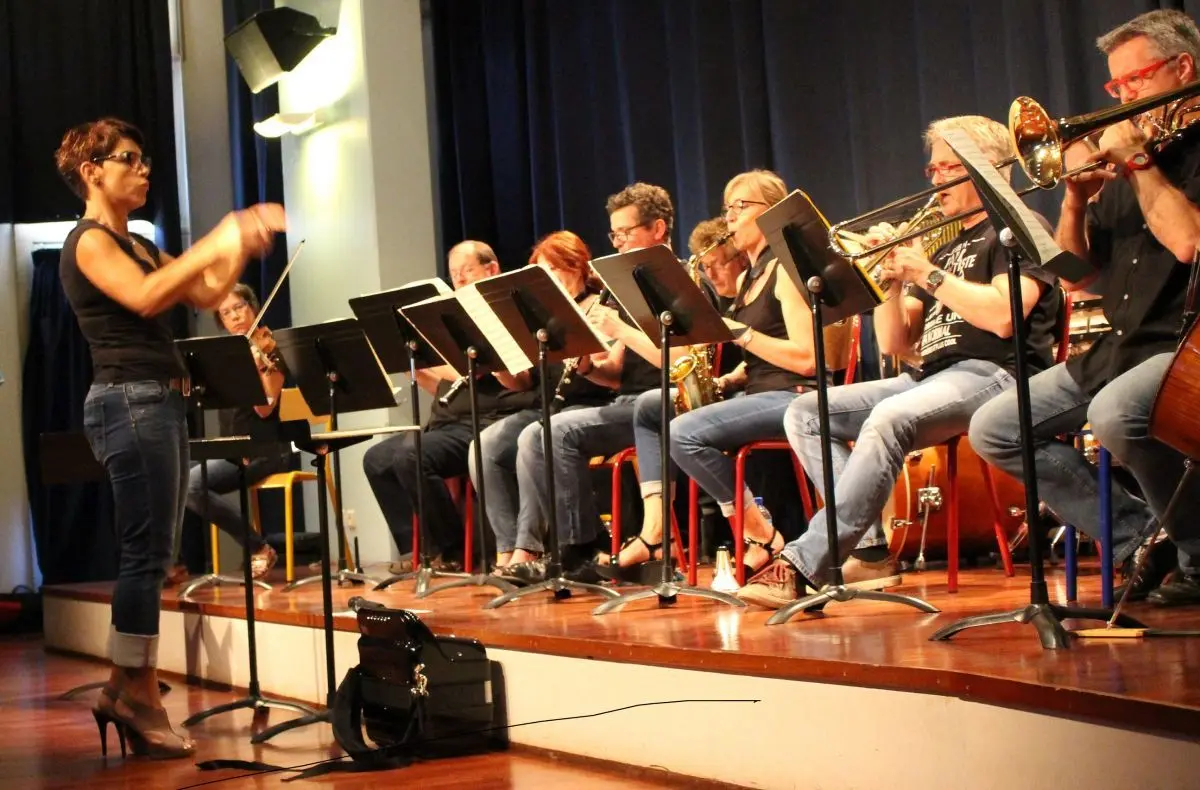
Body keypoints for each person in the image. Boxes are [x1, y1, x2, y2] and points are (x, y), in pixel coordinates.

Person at [738, 116, 1061, 608]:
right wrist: (887, 280)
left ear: (986, 168)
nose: (933, 178)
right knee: (806, 413)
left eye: (946, 167)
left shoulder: (1017, 227)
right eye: (931, 168)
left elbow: (1001, 317)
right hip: (929, 376)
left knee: (888, 418)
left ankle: (803, 562)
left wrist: (927, 274)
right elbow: (896, 342)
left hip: (996, 373)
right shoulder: (947, 244)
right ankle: (868, 550)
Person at [56, 117, 284, 757]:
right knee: (144, 558)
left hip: (155, 402)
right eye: (130, 158)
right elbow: (152, 298)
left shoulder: (140, 245)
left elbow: (208, 289)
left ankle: (128, 690)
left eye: (145, 157)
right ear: (92, 171)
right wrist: (222, 232)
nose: (144, 167)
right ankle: (139, 693)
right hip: (129, 402)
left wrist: (241, 241)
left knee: (152, 555)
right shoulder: (91, 243)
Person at [971, 9, 1200, 607]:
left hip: (1185, 345)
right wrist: (1074, 200)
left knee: (1116, 413)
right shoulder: (1129, 164)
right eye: (1115, 88)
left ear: (1183, 69)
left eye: (1137, 81)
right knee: (995, 427)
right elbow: (1083, 280)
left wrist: (1140, 165)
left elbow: (1188, 242)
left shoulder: (1177, 155)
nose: (1123, 100)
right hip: (1122, 348)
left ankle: (1199, 553)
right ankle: (1145, 538)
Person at [510, 187, 743, 581]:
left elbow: (687, 364)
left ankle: (584, 551)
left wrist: (622, 330)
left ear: (657, 228)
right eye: (613, 235)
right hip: (629, 402)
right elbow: (615, 371)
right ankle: (583, 545)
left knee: (564, 431)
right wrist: (585, 364)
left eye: (625, 232)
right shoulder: (626, 287)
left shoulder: (687, 280)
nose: (617, 242)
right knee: (537, 435)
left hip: (674, 402)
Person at [607, 170, 826, 579]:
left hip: (793, 394)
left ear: (773, 211)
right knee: (655, 408)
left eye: (742, 207)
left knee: (684, 432)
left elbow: (806, 359)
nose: (730, 218)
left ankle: (759, 534)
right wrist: (729, 380)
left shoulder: (787, 271)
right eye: (727, 209)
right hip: (757, 392)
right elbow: (760, 356)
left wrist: (741, 333)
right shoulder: (747, 279)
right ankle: (658, 532)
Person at [362, 241, 536, 571]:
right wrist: (406, 362)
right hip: (447, 422)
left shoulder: (504, 311)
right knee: (377, 459)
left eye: (466, 271)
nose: (460, 280)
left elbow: (489, 374)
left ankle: (452, 551)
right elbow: (444, 385)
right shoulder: (454, 320)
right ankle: (414, 550)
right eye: (454, 275)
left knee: (411, 454)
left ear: (492, 269)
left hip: (488, 419)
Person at [470, 231, 615, 577]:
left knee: (532, 439)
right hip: (547, 406)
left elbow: (608, 367)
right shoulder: (539, 318)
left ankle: (528, 549)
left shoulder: (600, 305)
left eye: (553, 268)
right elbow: (521, 381)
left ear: (576, 265)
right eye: (541, 271)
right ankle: (506, 550)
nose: (547, 278)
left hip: (588, 402)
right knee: (484, 446)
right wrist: (495, 362)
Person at [178, 284, 287, 581]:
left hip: (263, 451)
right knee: (172, 476)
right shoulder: (226, 355)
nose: (234, 316)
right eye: (226, 313)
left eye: (239, 307)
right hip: (231, 451)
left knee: (190, 485)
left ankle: (258, 547)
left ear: (252, 307)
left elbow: (264, 409)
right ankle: (173, 562)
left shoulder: (271, 350)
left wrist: (251, 372)